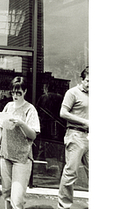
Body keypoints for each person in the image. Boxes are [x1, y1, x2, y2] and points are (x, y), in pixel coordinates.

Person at [0, 76, 40, 209]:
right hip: (5, 155)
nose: (15, 96)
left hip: (22, 158)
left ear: (25, 91)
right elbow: (1, 128)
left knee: (17, 199)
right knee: (6, 194)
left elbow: (33, 135)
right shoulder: (8, 106)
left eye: (19, 92)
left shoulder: (30, 109)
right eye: (13, 92)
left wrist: (22, 124)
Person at [57, 66, 89, 209]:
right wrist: (84, 121)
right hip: (75, 135)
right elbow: (63, 113)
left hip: (90, 136)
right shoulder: (72, 93)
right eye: (88, 81)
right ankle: (64, 206)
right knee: (71, 173)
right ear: (82, 79)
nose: (90, 84)